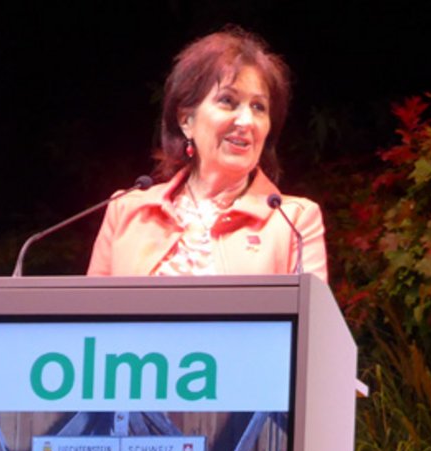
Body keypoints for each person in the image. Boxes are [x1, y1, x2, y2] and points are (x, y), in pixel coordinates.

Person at [88, 27, 327, 280]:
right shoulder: (127, 210)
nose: (246, 121)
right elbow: (88, 316)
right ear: (186, 120)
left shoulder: (294, 222)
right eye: (228, 101)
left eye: (258, 107)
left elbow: (307, 318)